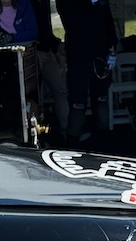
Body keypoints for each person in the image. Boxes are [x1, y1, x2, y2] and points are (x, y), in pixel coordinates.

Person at [57, 0, 117, 145]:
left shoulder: (101, 3)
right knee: (78, 105)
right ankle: (73, 145)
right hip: (79, 59)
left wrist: (112, 48)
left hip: (100, 58)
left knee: (101, 103)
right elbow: (74, 23)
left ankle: (102, 145)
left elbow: (109, 25)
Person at [30, 0, 69, 135]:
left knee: (60, 90)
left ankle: (66, 130)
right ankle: (38, 134)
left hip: (46, 49)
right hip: (31, 50)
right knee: (34, 96)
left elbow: (45, 26)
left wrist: (54, 42)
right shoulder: (23, 3)